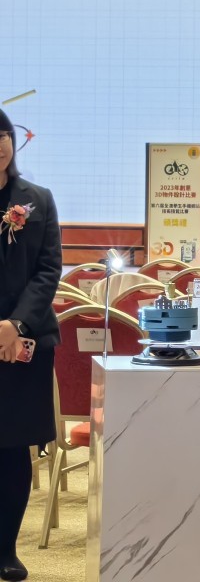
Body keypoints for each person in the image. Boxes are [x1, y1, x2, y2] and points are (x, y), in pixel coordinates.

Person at [0, 109, 62, 582]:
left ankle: (6, 548)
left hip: (24, 342)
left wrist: (15, 324)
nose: (0, 144)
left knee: (12, 445)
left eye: (3, 135)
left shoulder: (36, 200)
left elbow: (48, 269)